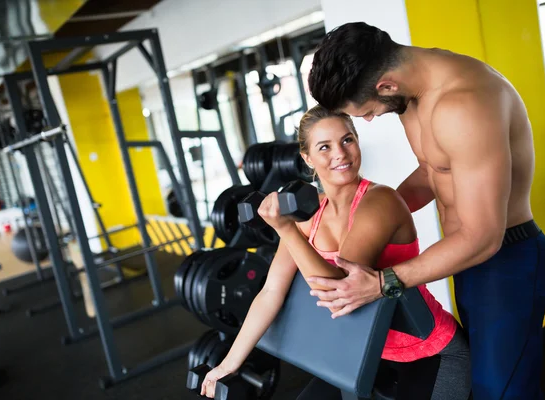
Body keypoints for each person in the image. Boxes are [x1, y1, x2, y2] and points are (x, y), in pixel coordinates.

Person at [306, 22, 545, 400]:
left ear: (385, 85)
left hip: (505, 257)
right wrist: (371, 214)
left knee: (502, 392)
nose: (370, 119)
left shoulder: (464, 103)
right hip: (467, 261)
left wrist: (382, 283)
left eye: (367, 112)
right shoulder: (412, 94)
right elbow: (435, 169)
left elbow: (482, 236)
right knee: (487, 381)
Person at [200, 105, 471, 400]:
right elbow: (271, 292)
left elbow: (342, 288)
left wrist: (286, 230)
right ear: (308, 158)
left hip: (428, 352)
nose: (340, 154)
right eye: (324, 147)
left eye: (347, 140)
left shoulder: (380, 201)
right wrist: (227, 365)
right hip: (364, 356)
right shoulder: (308, 215)